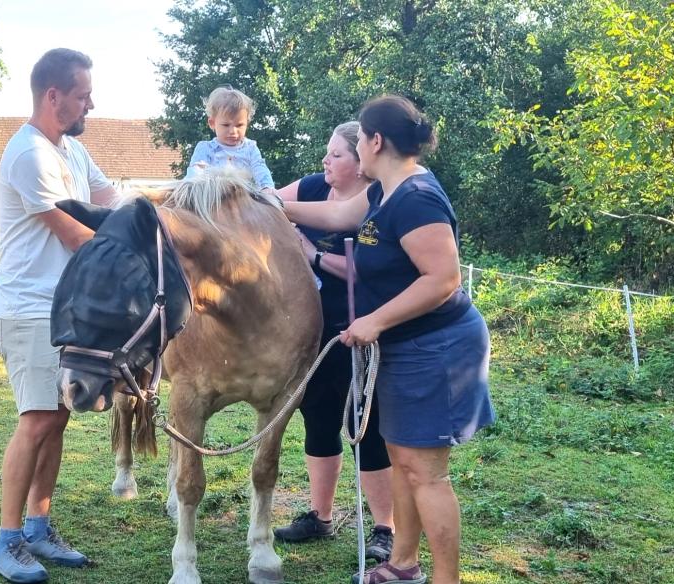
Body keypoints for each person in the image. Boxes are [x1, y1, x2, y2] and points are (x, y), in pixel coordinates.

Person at [284, 96, 495, 584]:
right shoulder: (384, 192)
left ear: (376, 142)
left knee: (426, 473)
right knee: (402, 462)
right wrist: (265, 200)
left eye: (358, 138)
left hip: (437, 347)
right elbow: (336, 218)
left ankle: (445, 579)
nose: (356, 146)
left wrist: (375, 321)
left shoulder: (417, 197)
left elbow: (443, 278)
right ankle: (402, 566)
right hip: (406, 347)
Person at [0, 47, 120, 584]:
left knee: (58, 418)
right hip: (29, 309)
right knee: (37, 420)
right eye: (84, 95)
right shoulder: (30, 155)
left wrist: (154, 214)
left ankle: (40, 528)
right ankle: (7, 540)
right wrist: (137, 250)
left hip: (63, 309)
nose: (92, 102)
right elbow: (78, 235)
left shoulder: (68, 150)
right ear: (54, 96)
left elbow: (109, 197)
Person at [273, 122, 395, 563]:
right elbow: (266, 197)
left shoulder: (376, 205)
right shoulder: (311, 186)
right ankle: (320, 516)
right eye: (326, 153)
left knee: (367, 426)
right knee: (318, 418)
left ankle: (385, 528)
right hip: (313, 332)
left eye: (336, 155)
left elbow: (369, 271)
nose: (325, 161)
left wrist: (314, 254)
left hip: (360, 329)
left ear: (361, 166)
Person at [185, 86, 275, 193]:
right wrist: (192, 185)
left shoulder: (250, 148)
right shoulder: (206, 149)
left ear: (247, 123)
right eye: (226, 125)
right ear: (212, 123)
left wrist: (267, 187)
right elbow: (195, 172)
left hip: (243, 198)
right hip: (214, 199)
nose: (233, 131)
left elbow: (260, 168)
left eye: (239, 125)